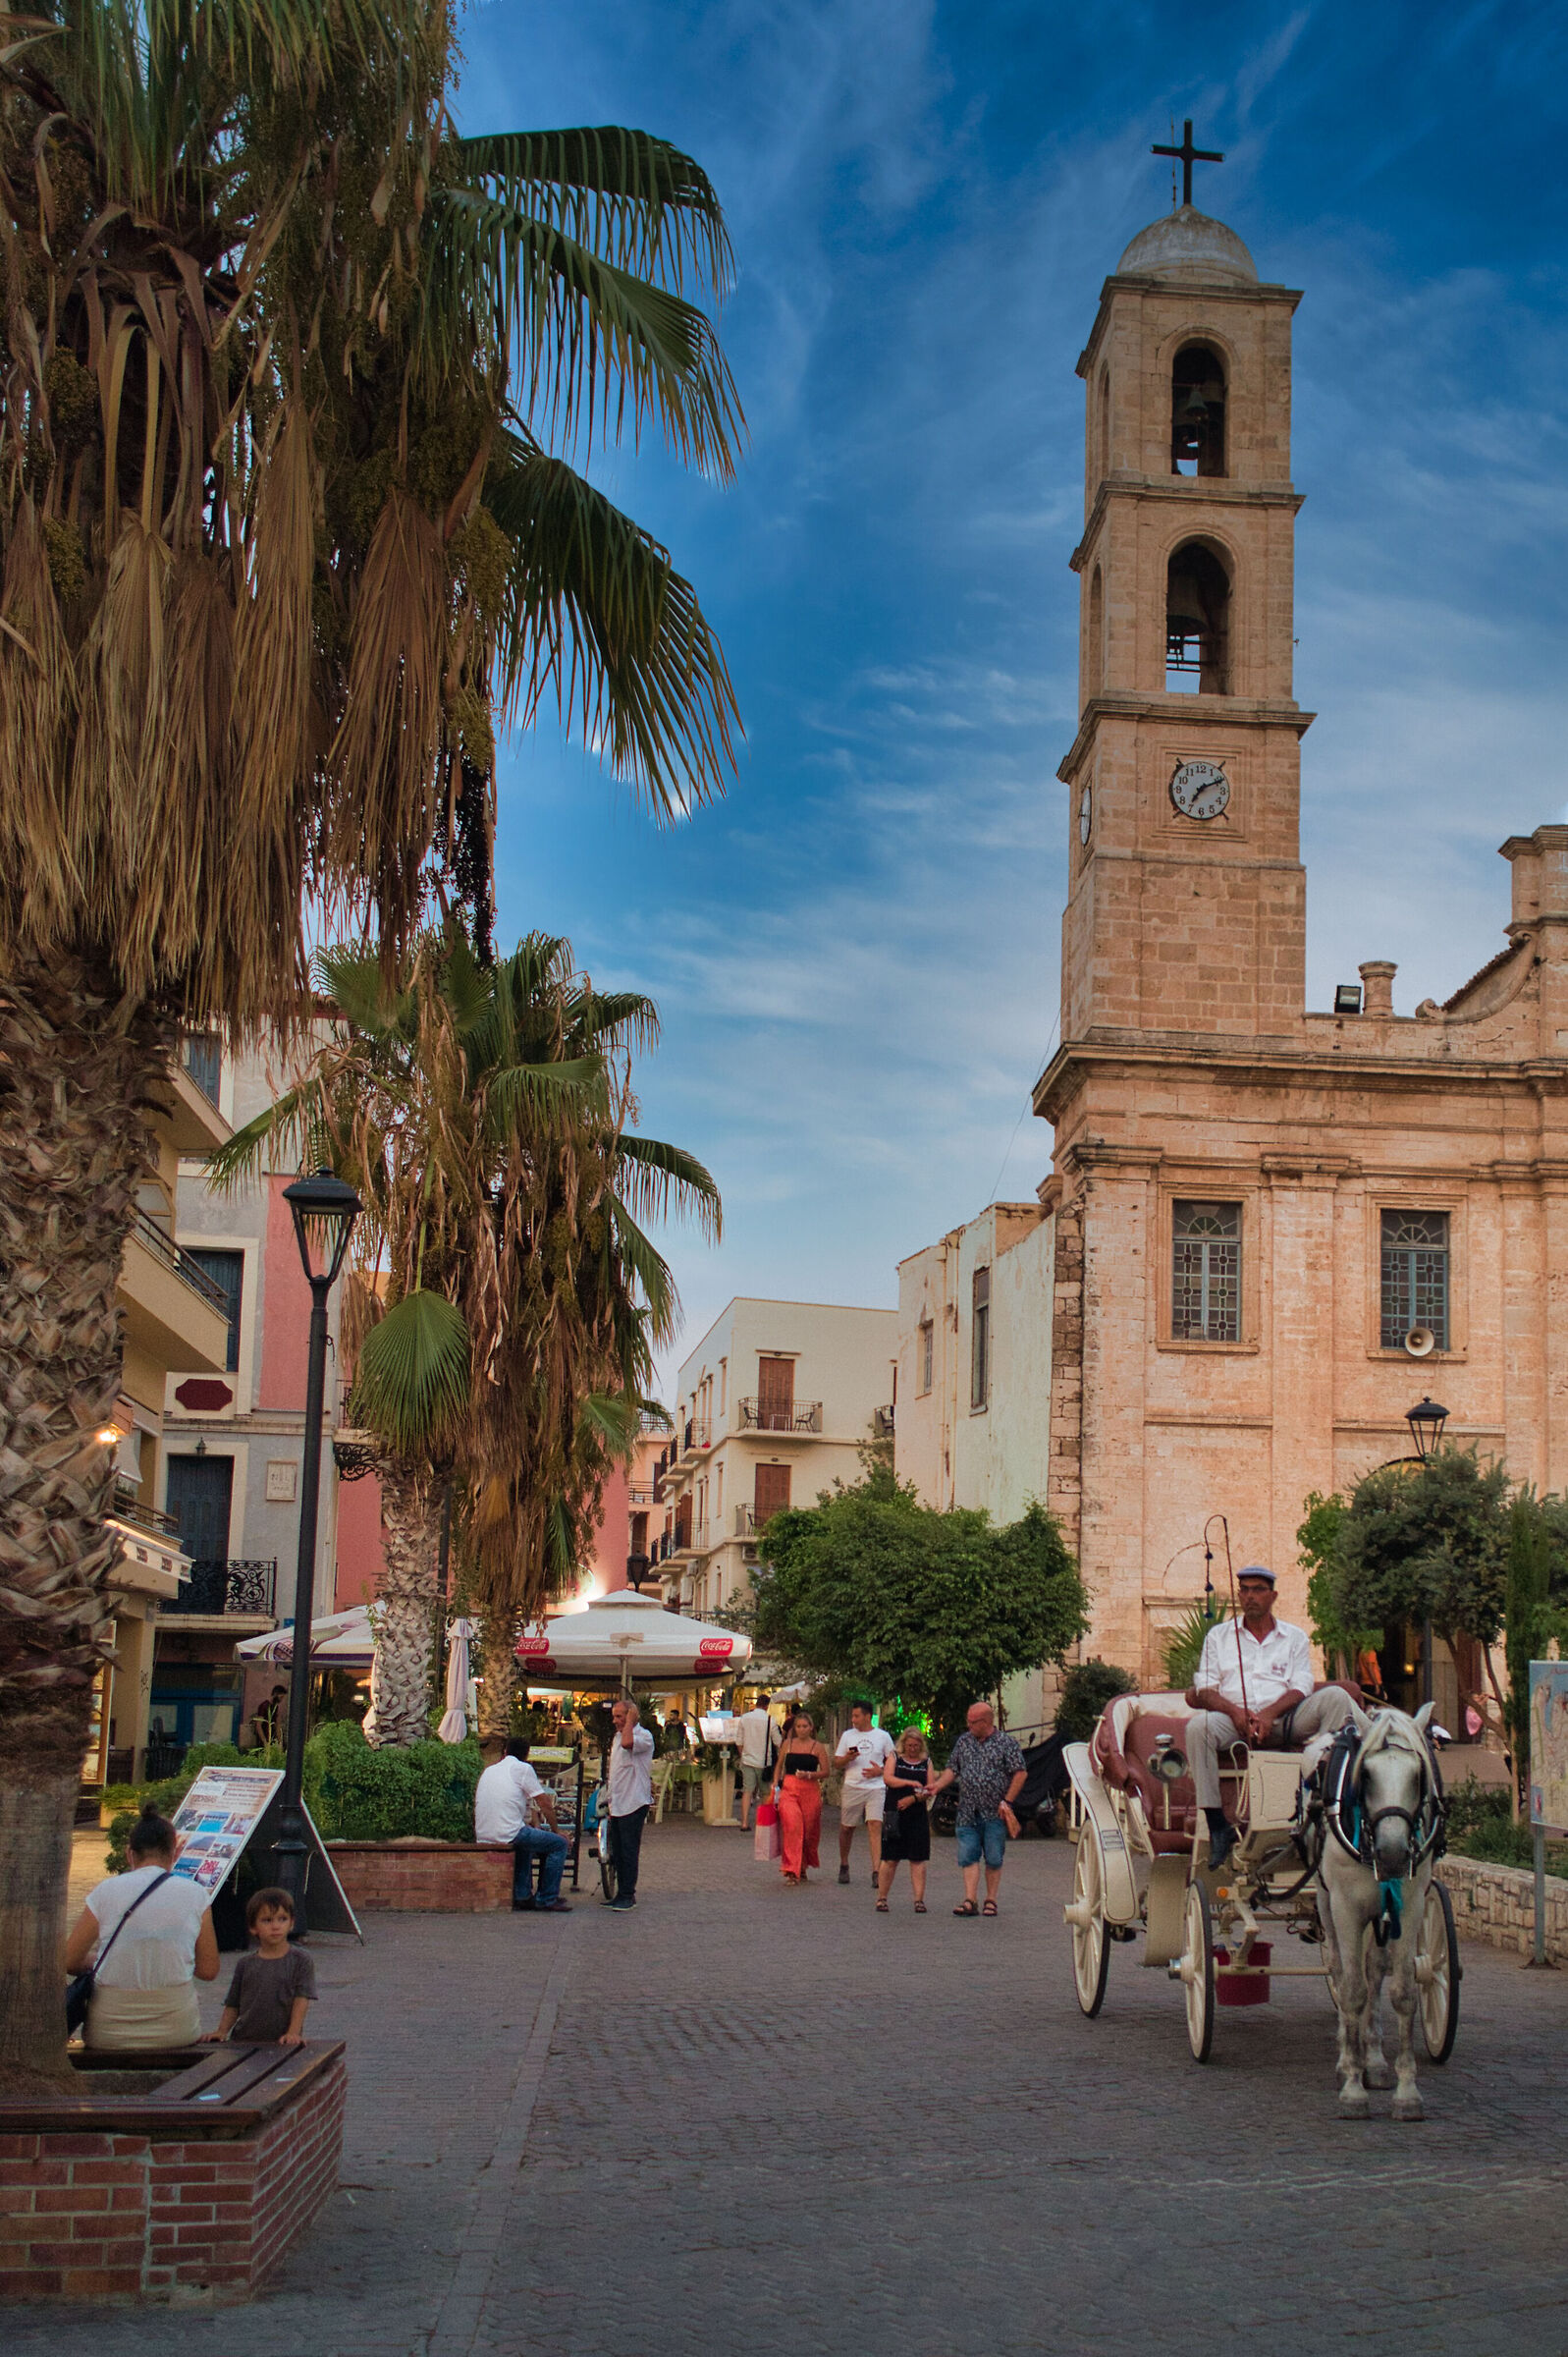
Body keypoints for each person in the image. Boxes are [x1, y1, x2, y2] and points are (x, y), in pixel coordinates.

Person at [1186, 1564, 1370, 1870]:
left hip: (1285, 1720)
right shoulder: (1219, 1636)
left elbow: (1301, 1685)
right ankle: (1217, 1823)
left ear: (1273, 1595)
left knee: (1337, 1697)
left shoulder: (1294, 1637)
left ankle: (1331, 1803)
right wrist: (1237, 1713)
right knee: (1197, 1728)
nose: (1249, 1596)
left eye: (1257, 1589)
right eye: (1244, 1590)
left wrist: (1270, 1715)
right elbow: (1204, 1687)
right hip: (1234, 1722)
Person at [64, 1802, 219, 2050]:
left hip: (109, 2033)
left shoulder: (106, 1892)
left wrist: (98, 1959)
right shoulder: (196, 1894)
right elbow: (209, 1970)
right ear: (175, 1853)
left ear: (129, 1854)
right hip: (177, 2030)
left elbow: (69, 1960)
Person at [934, 1702, 1026, 1917]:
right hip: (967, 1810)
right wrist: (937, 1786)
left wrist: (1008, 1801)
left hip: (995, 1812)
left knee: (994, 1857)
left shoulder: (1006, 1743)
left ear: (985, 1722)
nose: (968, 1725)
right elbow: (952, 1769)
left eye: (972, 1722)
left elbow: (1020, 1773)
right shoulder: (964, 1742)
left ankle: (991, 1900)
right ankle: (970, 1900)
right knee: (968, 1855)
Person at [202, 1888, 314, 2045]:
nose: (275, 1926)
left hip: (283, 2042)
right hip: (243, 2040)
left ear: (292, 1923)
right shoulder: (245, 1964)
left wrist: (293, 2032)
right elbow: (233, 2003)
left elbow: (301, 1999)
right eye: (267, 1920)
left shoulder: (301, 1960)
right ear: (253, 1927)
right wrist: (222, 2031)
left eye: (282, 1919)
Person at [474, 1736, 570, 1912]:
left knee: (525, 1843)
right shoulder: (522, 1768)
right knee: (559, 1844)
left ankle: (523, 1895)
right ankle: (547, 1898)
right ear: (526, 1755)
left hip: (484, 1833)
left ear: (505, 1751)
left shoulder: (490, 1770)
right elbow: (544, 1803)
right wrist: (557, 1831)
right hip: (508, 1833)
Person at [835, 1703, 896, 1885]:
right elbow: (837, 1762)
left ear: (867, 1716)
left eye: (856, 1716)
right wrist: (847, 1758)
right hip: (853, 1786)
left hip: (875, 1787)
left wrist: (881, 1771)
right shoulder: (847, 1736)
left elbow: (894, 1761)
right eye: (852, 1716)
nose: (853, 1720)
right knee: (847, 1828)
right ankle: (844, 1863)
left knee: (875, 1825)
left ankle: (877, 1870)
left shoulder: (883, 1737)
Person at [606, 1697, 656, 1910]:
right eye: (614, 1716)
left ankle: (628, 1893)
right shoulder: (617, 1737)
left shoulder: (643, 1736)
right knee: (617, 1851)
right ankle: (620, 1892)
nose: (616, 1721)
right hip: (618, 1802)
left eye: (620, 1716)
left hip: (634, 1802)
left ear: (631, 1716)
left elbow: (629, 1744)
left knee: (628, 1850)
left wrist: (630, 1722)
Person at [876, 1728, 935, 1912]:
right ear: (904, 1744)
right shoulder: (895, 1757)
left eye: (916, 1746)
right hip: (895, 1812)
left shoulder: (926, 1762)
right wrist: (909, 1783)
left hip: (917, 1813)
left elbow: (930, 1788)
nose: (912, 1749)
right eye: (909, 1745)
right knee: (890, 1858)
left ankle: (919, 1900)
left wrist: (914, 1798)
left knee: (917, 1858)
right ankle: (882, 1897)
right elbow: (888, 1778)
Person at [771, 1710, 831, 1886]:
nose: (801, 1729)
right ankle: (791, 1869)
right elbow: (779, 1765)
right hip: (790, 1789)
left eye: (805, 1726)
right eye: (798, 1726)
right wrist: (775, 1783)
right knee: (792, 1827)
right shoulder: (787, 1744)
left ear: (811, 1728)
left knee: (808, 1831)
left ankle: (802, 1865)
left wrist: (810, 1775)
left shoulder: (817, 1747)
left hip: (810, 1790)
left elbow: (826, 1771)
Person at [735, 1693, 778, 1831]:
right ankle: (762, 1822)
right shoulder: (770, 1720)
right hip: (764, 1762)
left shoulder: (745, 1718)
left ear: (756, 1703)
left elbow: (739, 1741)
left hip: (747, 1760)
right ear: (767, 1706)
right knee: (765, 1793)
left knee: (747, 1790)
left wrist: (743, 1755)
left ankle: (745, 1822)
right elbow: (778, 1741)